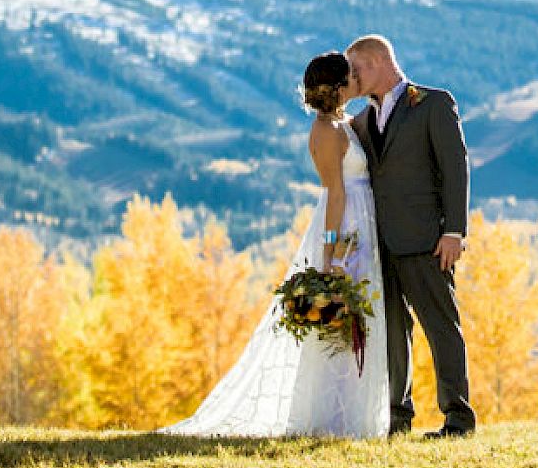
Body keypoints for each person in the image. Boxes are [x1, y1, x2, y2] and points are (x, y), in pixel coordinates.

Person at [158, 52, 389, 438]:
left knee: (361, 320)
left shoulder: (341, 123)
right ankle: (336, 420)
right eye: (348, 77)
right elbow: (335, 194)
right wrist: (330, 254)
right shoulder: (326, 133)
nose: (354, 81)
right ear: (336, 87)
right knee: (342, 324)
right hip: (346, 228)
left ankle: (356, 416)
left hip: (361, 222)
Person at [346, 35, 476, 438]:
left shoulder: (433, 103)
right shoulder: (361, 122)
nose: (352, 78)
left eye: (356, 69)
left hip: (427, 240)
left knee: (441, 327)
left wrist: (454, 231)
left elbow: (455, 169)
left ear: (379, 62)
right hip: (380, 244)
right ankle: (397, 417)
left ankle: (458, 417)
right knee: (390, 332)